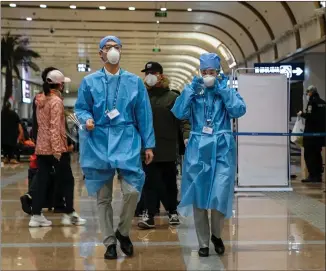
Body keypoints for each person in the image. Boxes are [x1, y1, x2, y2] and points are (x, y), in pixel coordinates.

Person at [75, 35, 155, 260]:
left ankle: (123, 231)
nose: (112, 51)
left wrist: (148, 144)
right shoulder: (89, 82)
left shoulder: (134, 81)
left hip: (127, 138)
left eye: (116, 47)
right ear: (100, 53)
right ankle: (109, 241)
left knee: (132, 192)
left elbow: (144, 114)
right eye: (107, 47)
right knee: (103, 198)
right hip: (98, 140)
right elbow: (81, 109)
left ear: (121, 51)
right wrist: (87, 119)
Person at [171, 53, 246, 257]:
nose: (207, 75)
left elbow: (239, 110)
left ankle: (217, 235)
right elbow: (178, 113)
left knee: (220, 193)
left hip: (222, 146)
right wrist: (190, 91)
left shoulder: (226, 91)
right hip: (198, 148)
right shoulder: (195, 92)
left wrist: (223, 91)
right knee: (199, 197)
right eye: (204, 72)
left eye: (211, 72)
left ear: (218, 72)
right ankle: (203, 242)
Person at [29, 68, 86, 227]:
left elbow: (39, 125)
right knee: (68, 180)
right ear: (60, 85)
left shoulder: (39, 99)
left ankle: (36, 215)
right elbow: (54, 127)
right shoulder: (56, 102)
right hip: (55, 148)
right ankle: (69, 213)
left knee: (42, 180)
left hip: (41, 147)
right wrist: (57, 151)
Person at [138, 62, 183, 229]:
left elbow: (182, 120)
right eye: (147, 72)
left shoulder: (172, 97)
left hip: (168, 148)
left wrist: (185, 138)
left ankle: (172, 212)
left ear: (161, 75)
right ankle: (149, 215)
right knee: (149, 182)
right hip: (147, 149)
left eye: (153, 72)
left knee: (169, 182)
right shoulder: (142, 96)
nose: (149, 75)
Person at [298, 85, 326, 183]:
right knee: (318, 154)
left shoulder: (312, 103)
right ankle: (318, 175)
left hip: (311, 134)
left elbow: (310, 117)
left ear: (311, 92)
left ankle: (312, 175)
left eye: (307, 93)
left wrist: (302, 114)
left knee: (309, 155)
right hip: (320, 134)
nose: (307, 95)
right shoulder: (323, 103)